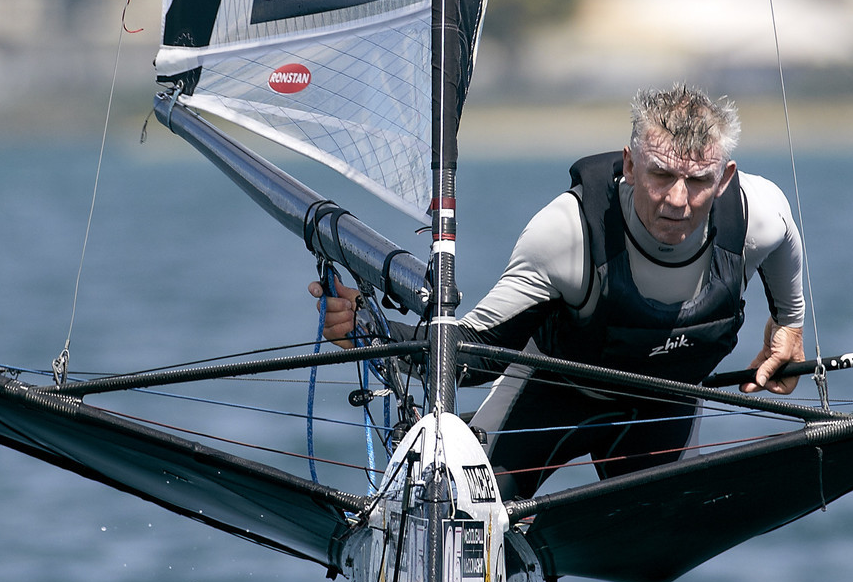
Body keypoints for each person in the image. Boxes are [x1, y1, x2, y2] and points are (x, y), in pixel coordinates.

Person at [311, 81, 808, 497]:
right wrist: (371, 332)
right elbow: (473, 355)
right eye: (661, 175)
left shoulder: (759, 215)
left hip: (662, 405)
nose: (678, 200)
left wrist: (789, 323)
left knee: (652, 555)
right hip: (550, 399)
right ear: (630, 166)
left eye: (698, 181)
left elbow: (787, 243)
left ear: (724, 179)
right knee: (467, 514)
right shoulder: (566, 233)